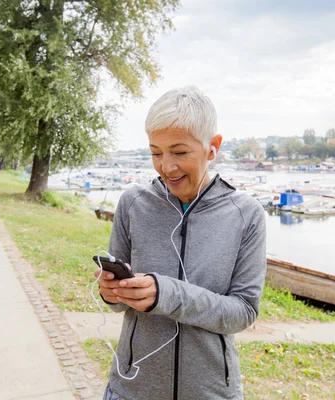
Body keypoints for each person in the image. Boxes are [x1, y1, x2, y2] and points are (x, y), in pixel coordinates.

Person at [94, 86, 267, 400]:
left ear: (212, 147)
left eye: (180, 152)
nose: (166, 166)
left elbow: (243, 312)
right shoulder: (132, 203)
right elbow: (118, 301)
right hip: (132, 390)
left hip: (212, 393)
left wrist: (166, 293)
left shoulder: (247, 215)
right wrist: (111, 293)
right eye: (156, 152)